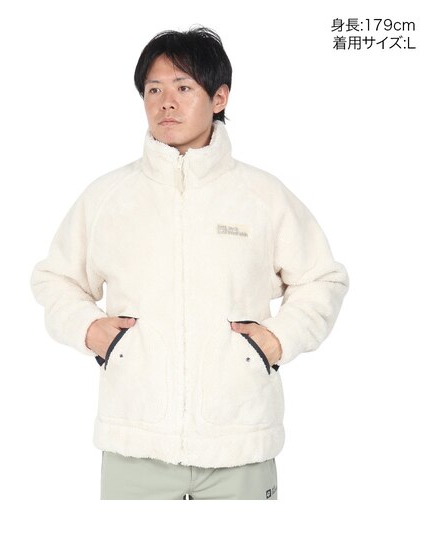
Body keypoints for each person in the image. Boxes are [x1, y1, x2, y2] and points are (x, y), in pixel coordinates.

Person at [29, 25, 349, 500]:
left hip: (240, 444)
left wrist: (277, 339)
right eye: (153, 90)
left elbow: (322, 279)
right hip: (134, 446)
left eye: (183, 88)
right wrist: (88, 328)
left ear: (219, 97)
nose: (166, 103)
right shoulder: (109, 197)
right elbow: (56, 278)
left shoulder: (261, 196)